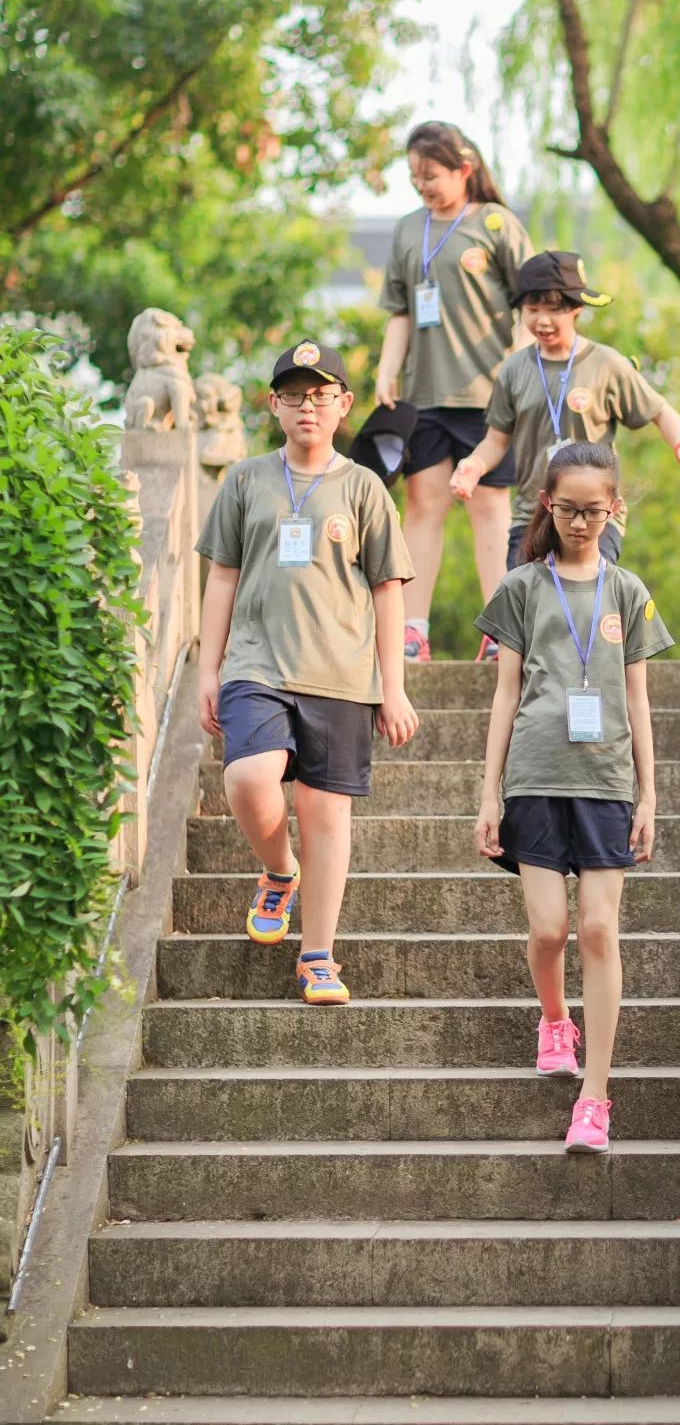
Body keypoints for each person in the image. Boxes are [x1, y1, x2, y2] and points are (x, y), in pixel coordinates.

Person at [196, 340, 419, 1006]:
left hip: (341, 674)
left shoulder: (363, 487)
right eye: (293, 395)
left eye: (321, 395)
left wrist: (394, 684)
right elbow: (222, 575)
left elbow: (387, 587)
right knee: (248, 776)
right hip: (255, 664)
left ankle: (318, 953)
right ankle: (277, 870)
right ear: (274, 405)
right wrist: (209, 667)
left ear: (344, 404)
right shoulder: (245, 480)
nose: (308, 406)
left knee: (324, 813)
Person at [473, 442, 674, 1154]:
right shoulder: (523, 586)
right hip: (534, 774)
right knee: (550, 930)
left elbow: (639, 698)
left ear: (614, 508)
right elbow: (505, 693)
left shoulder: (628, 591)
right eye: (567, 509)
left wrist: (650, 793)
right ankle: (554, 1016)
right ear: (547, 508)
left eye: (594, 509)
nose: (580, 522)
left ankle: (595, 1095)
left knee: (597, 929)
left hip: (606, 784)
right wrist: (488, 791)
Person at [373, 120, 534, 662]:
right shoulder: (406, 229)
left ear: (464, 169)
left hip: (488, 395)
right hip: (423, 395)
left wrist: (517, 370)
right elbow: (398, 310)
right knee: (422, 507)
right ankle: (413, 631)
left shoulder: (495, 223)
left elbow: (532, 306)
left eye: (433, 176)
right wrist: (385, 370)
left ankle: (498, 631)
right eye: (416, 177)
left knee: (490, 507)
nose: (424, 186)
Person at [449, 250, 680, 569]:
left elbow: (659, 410)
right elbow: (496, 440)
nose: (542, 320)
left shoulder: (606, 363)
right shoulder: (514, 369)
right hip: (533, 515)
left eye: (554, 310)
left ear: (576, 309)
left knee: (588, 607)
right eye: (532, 310)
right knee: (525, 608)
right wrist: (473, 466)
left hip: (595, 515)